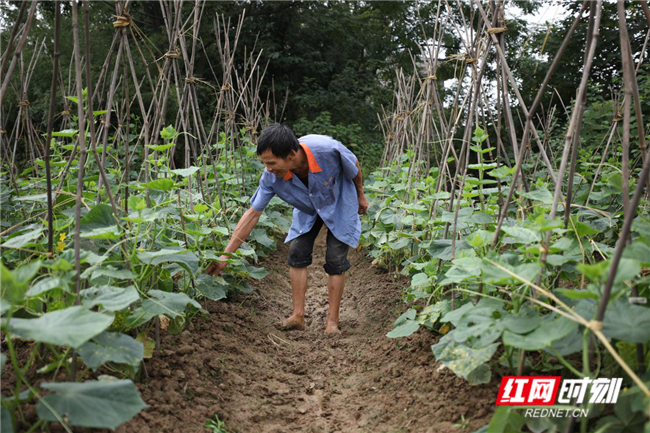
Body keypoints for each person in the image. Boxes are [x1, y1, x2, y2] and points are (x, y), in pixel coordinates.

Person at [204, 123, 368, 334]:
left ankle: (332, 322)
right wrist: (225, 255)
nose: (268, 169)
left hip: (339, 203)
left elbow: (353, 163)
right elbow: (253, 214)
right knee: (297, 252)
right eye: (265, 164)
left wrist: (361, 194)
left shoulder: (327, 149)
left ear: (291, 154)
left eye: (272, 163)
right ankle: (297, 316)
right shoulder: (271, 176)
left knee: (336, 259)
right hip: (308, 209)